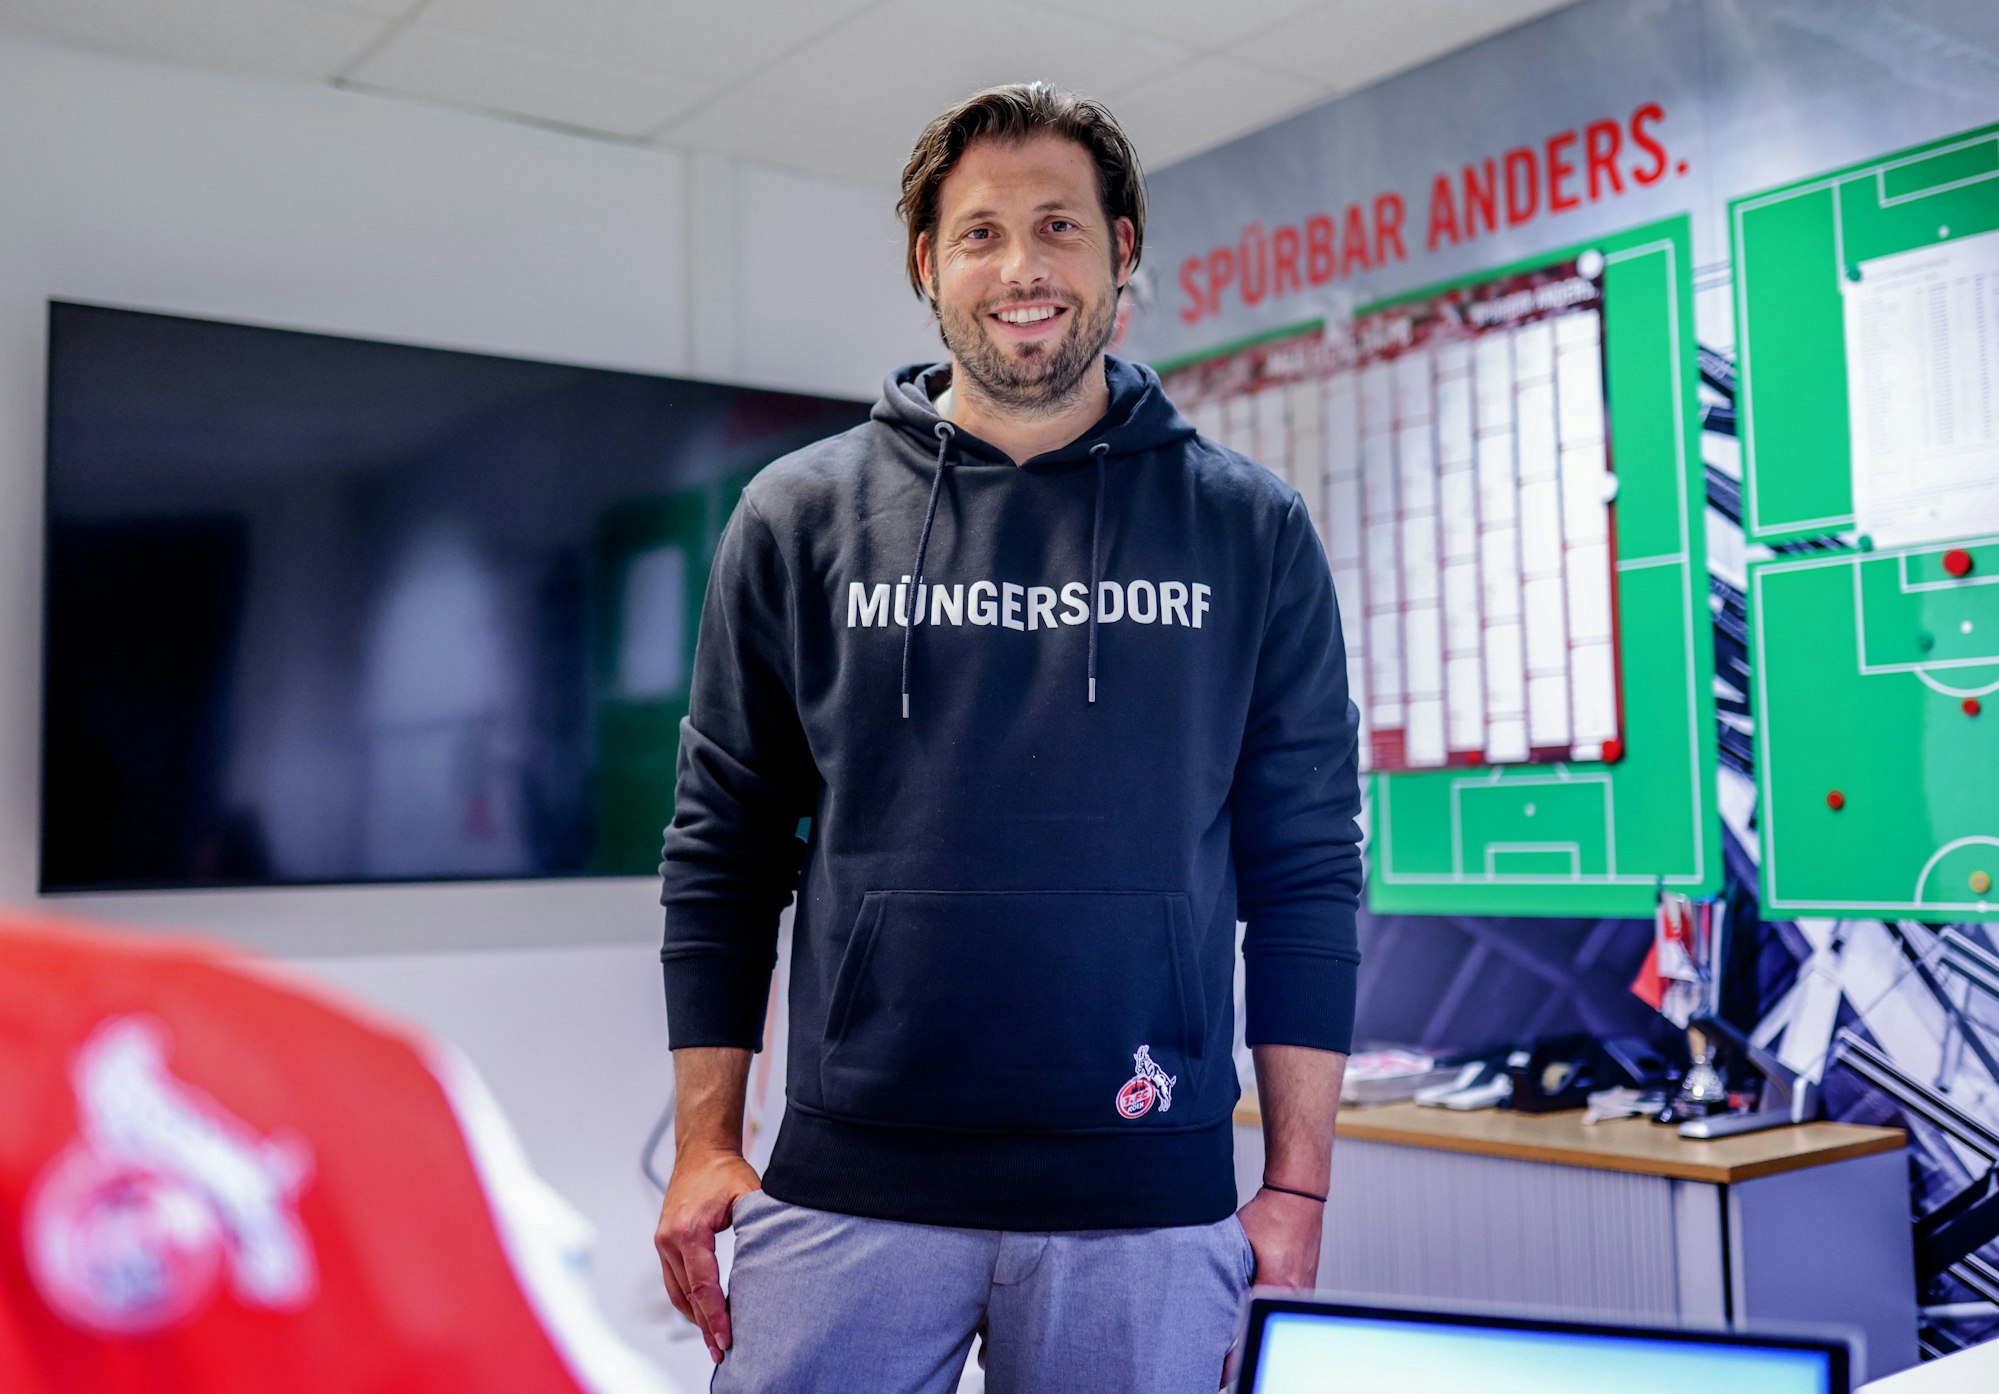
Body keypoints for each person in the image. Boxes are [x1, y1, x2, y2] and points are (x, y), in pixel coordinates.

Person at [654, 82, 1363, 1394]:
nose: (1021, 268)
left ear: (1123, 251)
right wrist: (707, 1139)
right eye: (979, 233)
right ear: (927, 263)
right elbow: (722, 848)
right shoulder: (795, 518)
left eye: (1059, 227)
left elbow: (1308, 866)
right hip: (849, 1184)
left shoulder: (1249, 529)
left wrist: (1299, 1185)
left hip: (1146, 1196)